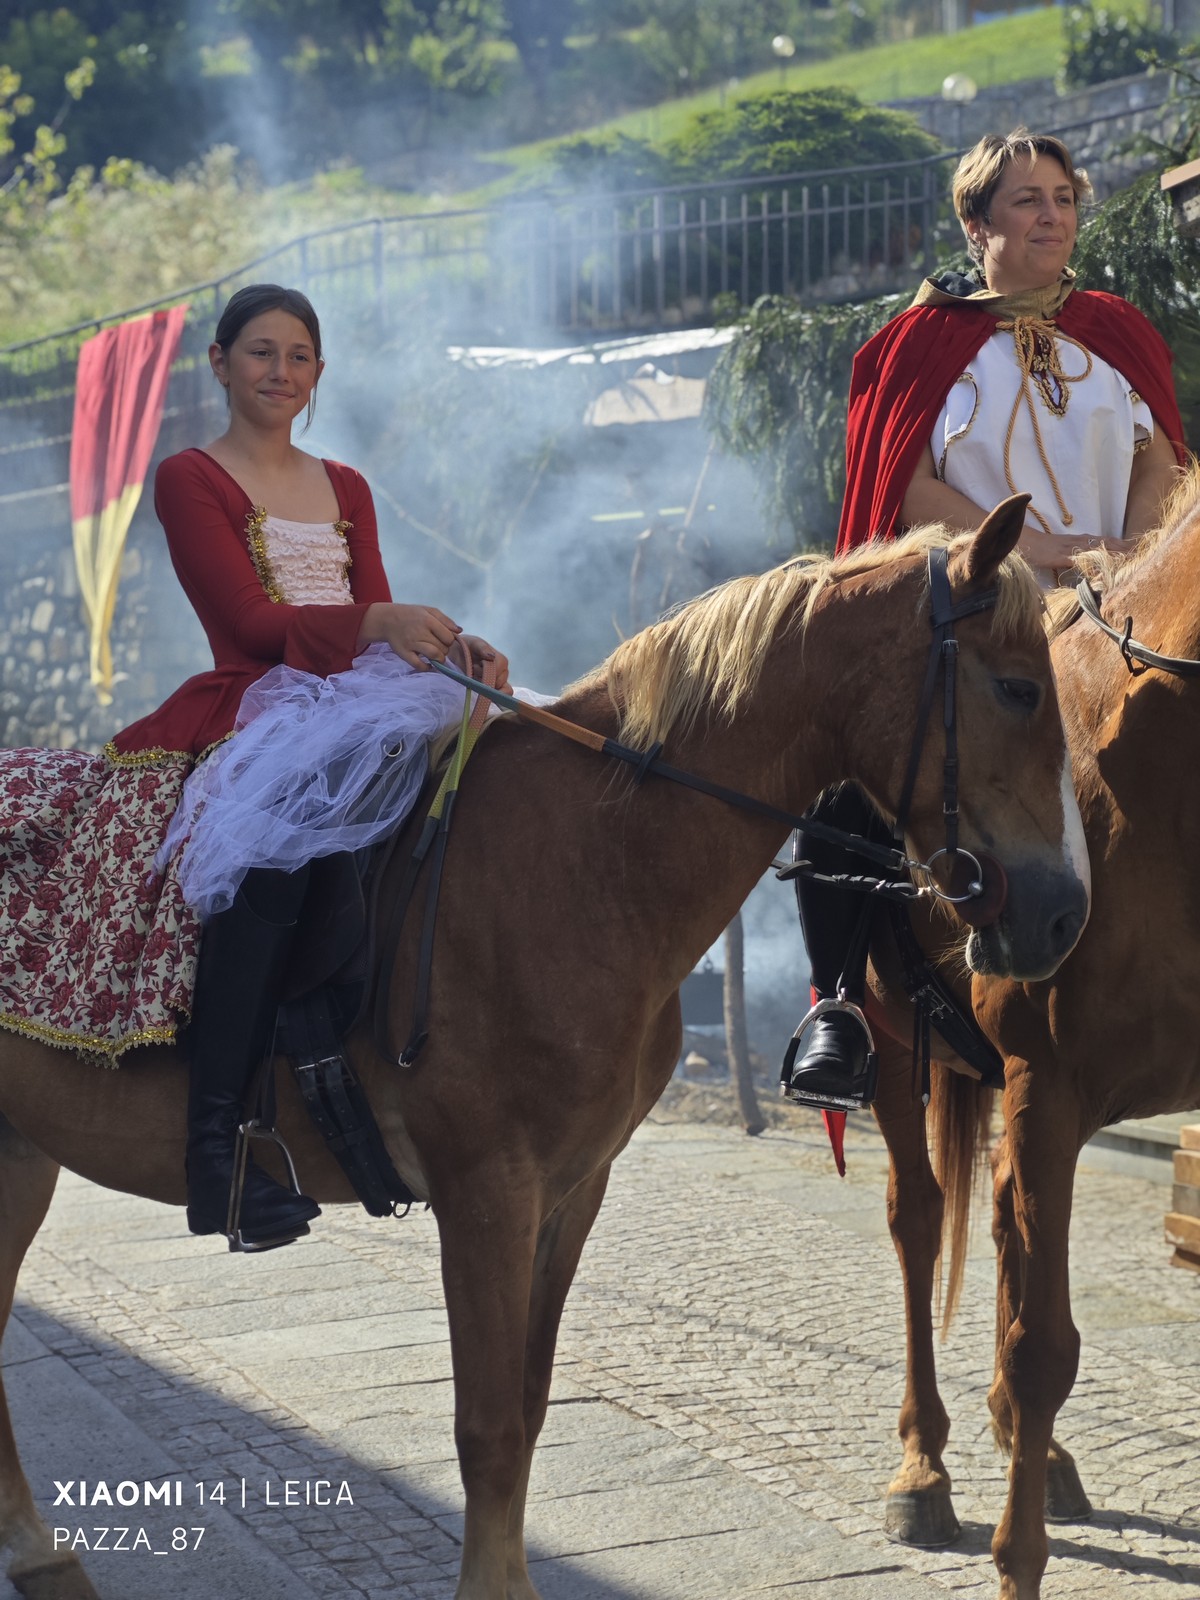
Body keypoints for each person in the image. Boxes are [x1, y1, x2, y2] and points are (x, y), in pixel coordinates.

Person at [785, 129, 1188, 1112]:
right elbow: (906, 486)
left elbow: (1162, 462)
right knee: (840, 776)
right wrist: (1045, 551)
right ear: (977, 224)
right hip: (975, 610)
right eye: (1026, 200)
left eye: (1064, 198)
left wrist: (1130, 557)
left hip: (1115, 604)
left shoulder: (1117, 331)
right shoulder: (916, 344)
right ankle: (839, 1003)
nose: (1052, 215)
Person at [108, 283, 511, 1247]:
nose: (279, 371)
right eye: (260, 352)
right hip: (259, 704)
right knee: (273, 856)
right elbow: (250, 624)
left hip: (356, 695)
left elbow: (376, 623)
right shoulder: (189, 476)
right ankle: (216, 1156)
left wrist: (444, 647)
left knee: (500, 769)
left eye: (298, 357)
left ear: (319, 373)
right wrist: (378, 621)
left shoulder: (347, 486)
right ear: (219, 364)